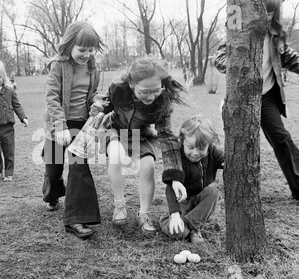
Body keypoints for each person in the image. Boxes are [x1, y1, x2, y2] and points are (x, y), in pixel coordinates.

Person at [91, 57, 187, 237]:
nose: (151, 96)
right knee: (117, 155)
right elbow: (107, 102)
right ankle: (119, 205)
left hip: (142, 135)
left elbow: (166, 136)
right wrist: (100, 109)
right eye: (144, 92)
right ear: (132, 84)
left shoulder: (162, 103)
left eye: (155, 91)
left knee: (148, 166)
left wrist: (175, 177)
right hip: (115, 130)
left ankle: (144, 214)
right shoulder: (118, 88)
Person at [214, 0, 299, 200]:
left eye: (270, 13)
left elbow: (291, 59)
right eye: (263, 12)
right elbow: (219, 58)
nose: (265, 17)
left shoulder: (276, 35)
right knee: (242, 144)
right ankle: (237, 189)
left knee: (282, 138)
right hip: (241, 96)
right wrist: (239, 68)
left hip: (267, 97)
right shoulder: (238, 29)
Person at [42, 21, 105, 239]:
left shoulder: (93, 68)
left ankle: (77, 219)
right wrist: (60, 127)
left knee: (79, 167)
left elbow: (92, 93)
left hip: (81, 124)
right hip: (58, 123)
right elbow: (52, 98)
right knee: (53, 169)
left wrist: (96, 102)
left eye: (91, 49)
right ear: (69, 45)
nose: (87, 54)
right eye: (82, 49)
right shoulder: (59, 66)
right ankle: (52, 193)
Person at [159, 116, 224, 244]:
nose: (195, 153)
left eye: (201, 148)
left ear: (209, 144)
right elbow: (171, 187)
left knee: (213, 192)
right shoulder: (178, 159)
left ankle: (193, 227)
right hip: (182, 201)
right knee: (179, 233)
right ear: (182, 141)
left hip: (200, 200)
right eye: (190, 147)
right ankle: (170, 220)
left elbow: (223, 159)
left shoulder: (212, 152)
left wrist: (227, 163)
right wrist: (175, 214)